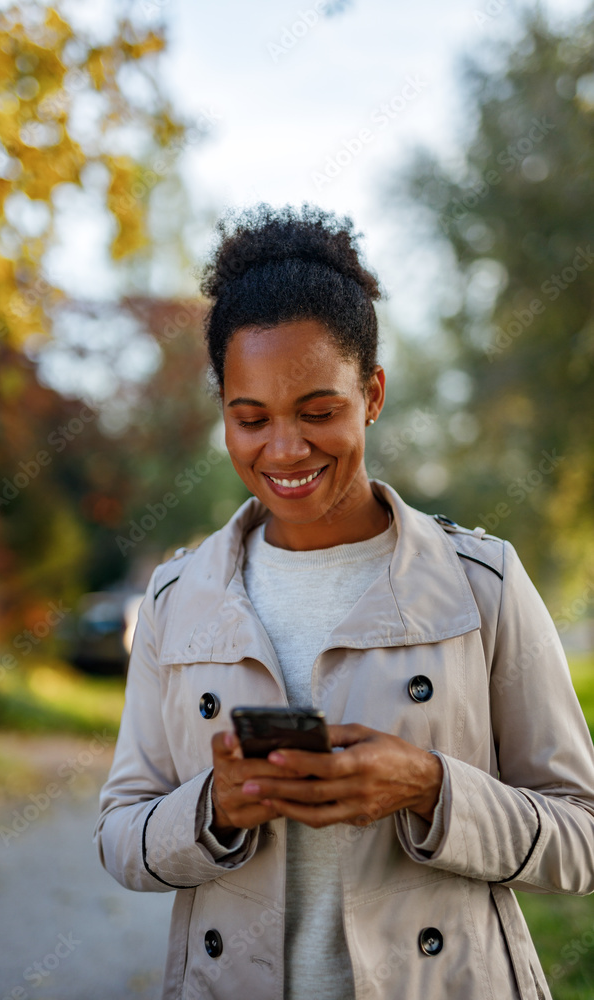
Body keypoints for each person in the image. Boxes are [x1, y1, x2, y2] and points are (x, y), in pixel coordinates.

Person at [94, 203, 594, 1000]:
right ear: (222, 409)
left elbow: (582, 841)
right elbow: (120, 839)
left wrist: (430, 788)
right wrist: (211, 811)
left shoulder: (481, 583)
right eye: (249, 418)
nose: (284, 450)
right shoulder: (175, 599)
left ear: (373, 394)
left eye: (319, 412)